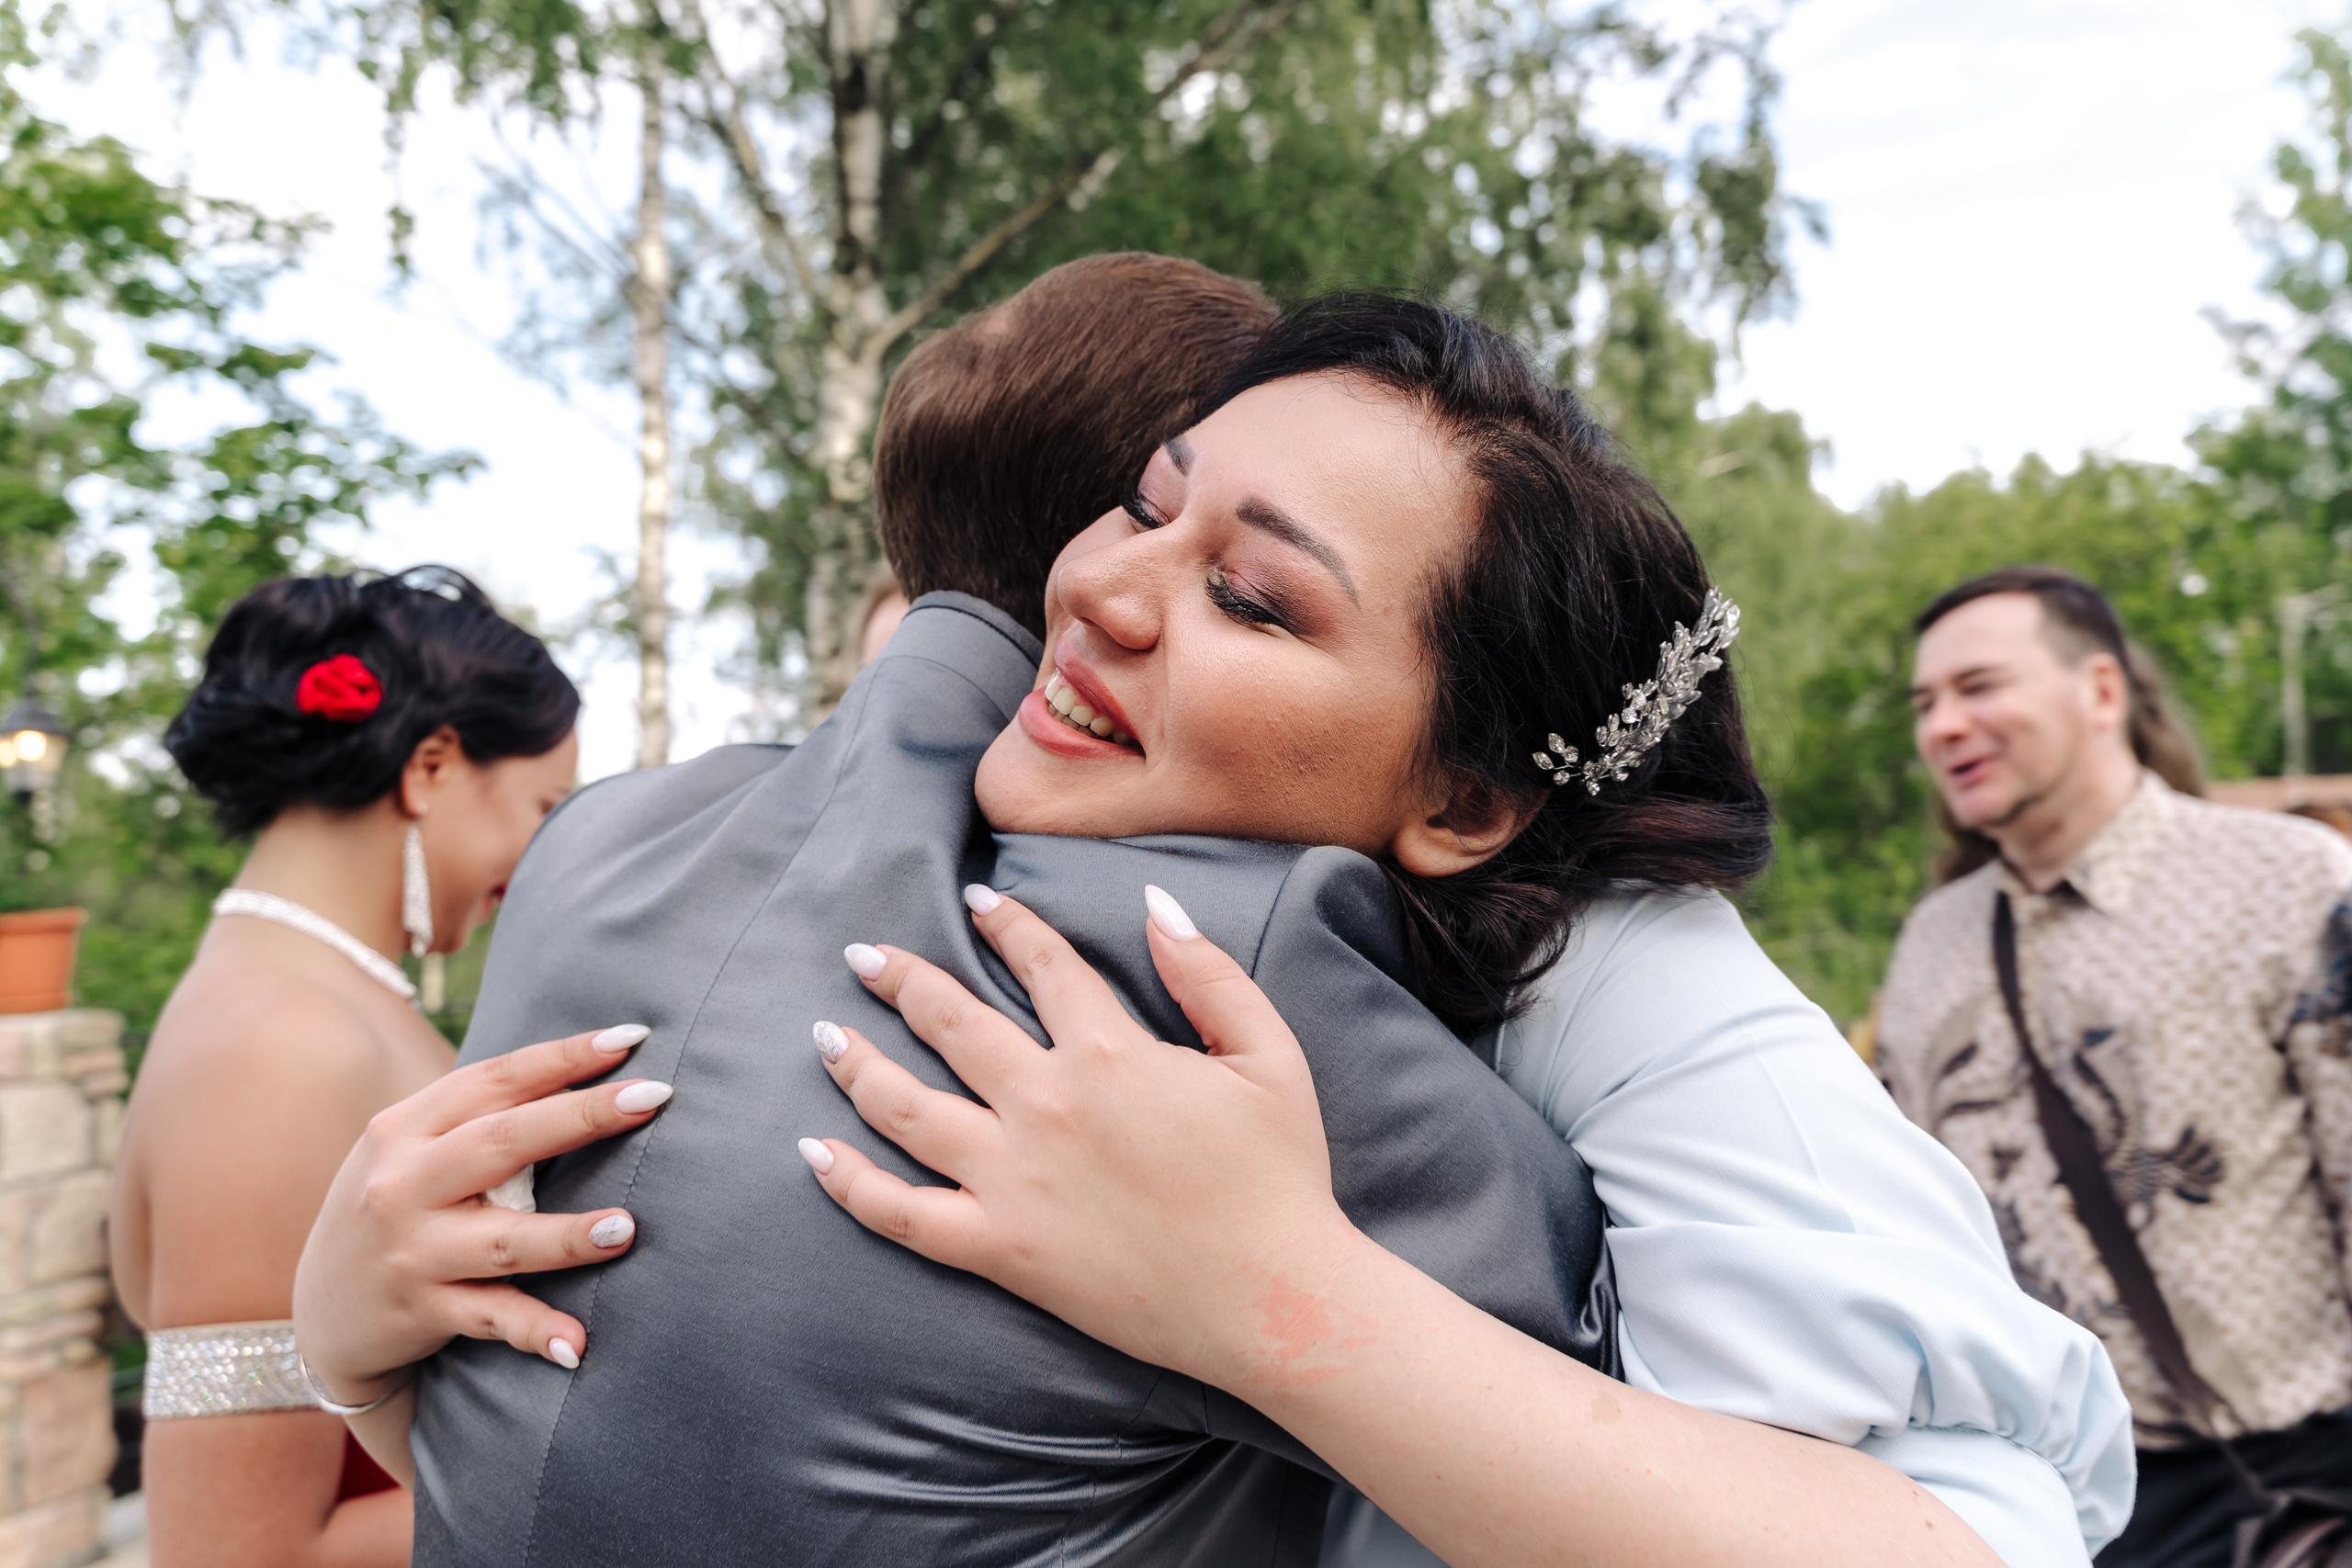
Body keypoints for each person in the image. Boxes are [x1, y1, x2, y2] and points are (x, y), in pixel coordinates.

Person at [296, 295, 2127, 1563]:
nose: (1091, 590)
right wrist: (364, 1348)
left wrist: (1275, 1300)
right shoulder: (865, 872)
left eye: (1250, 596)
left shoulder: (1621, 974)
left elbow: (1969, 1535)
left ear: (1466, 803)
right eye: (1141, 508)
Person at [1877, 565, 2352, 1567]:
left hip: (2288, 1484)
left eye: (1978, 687)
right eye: (1925, 704)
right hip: (2049, 1498)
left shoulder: (2285, 879)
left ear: (2101, 693)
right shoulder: (1929, 946)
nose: (1942, 727)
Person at [108, 568, 580, 1568]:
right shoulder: (274, 1047)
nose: (543, 858)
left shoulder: (311, 999)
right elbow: (235, 1552)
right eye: (546, 805)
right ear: (433, 767)